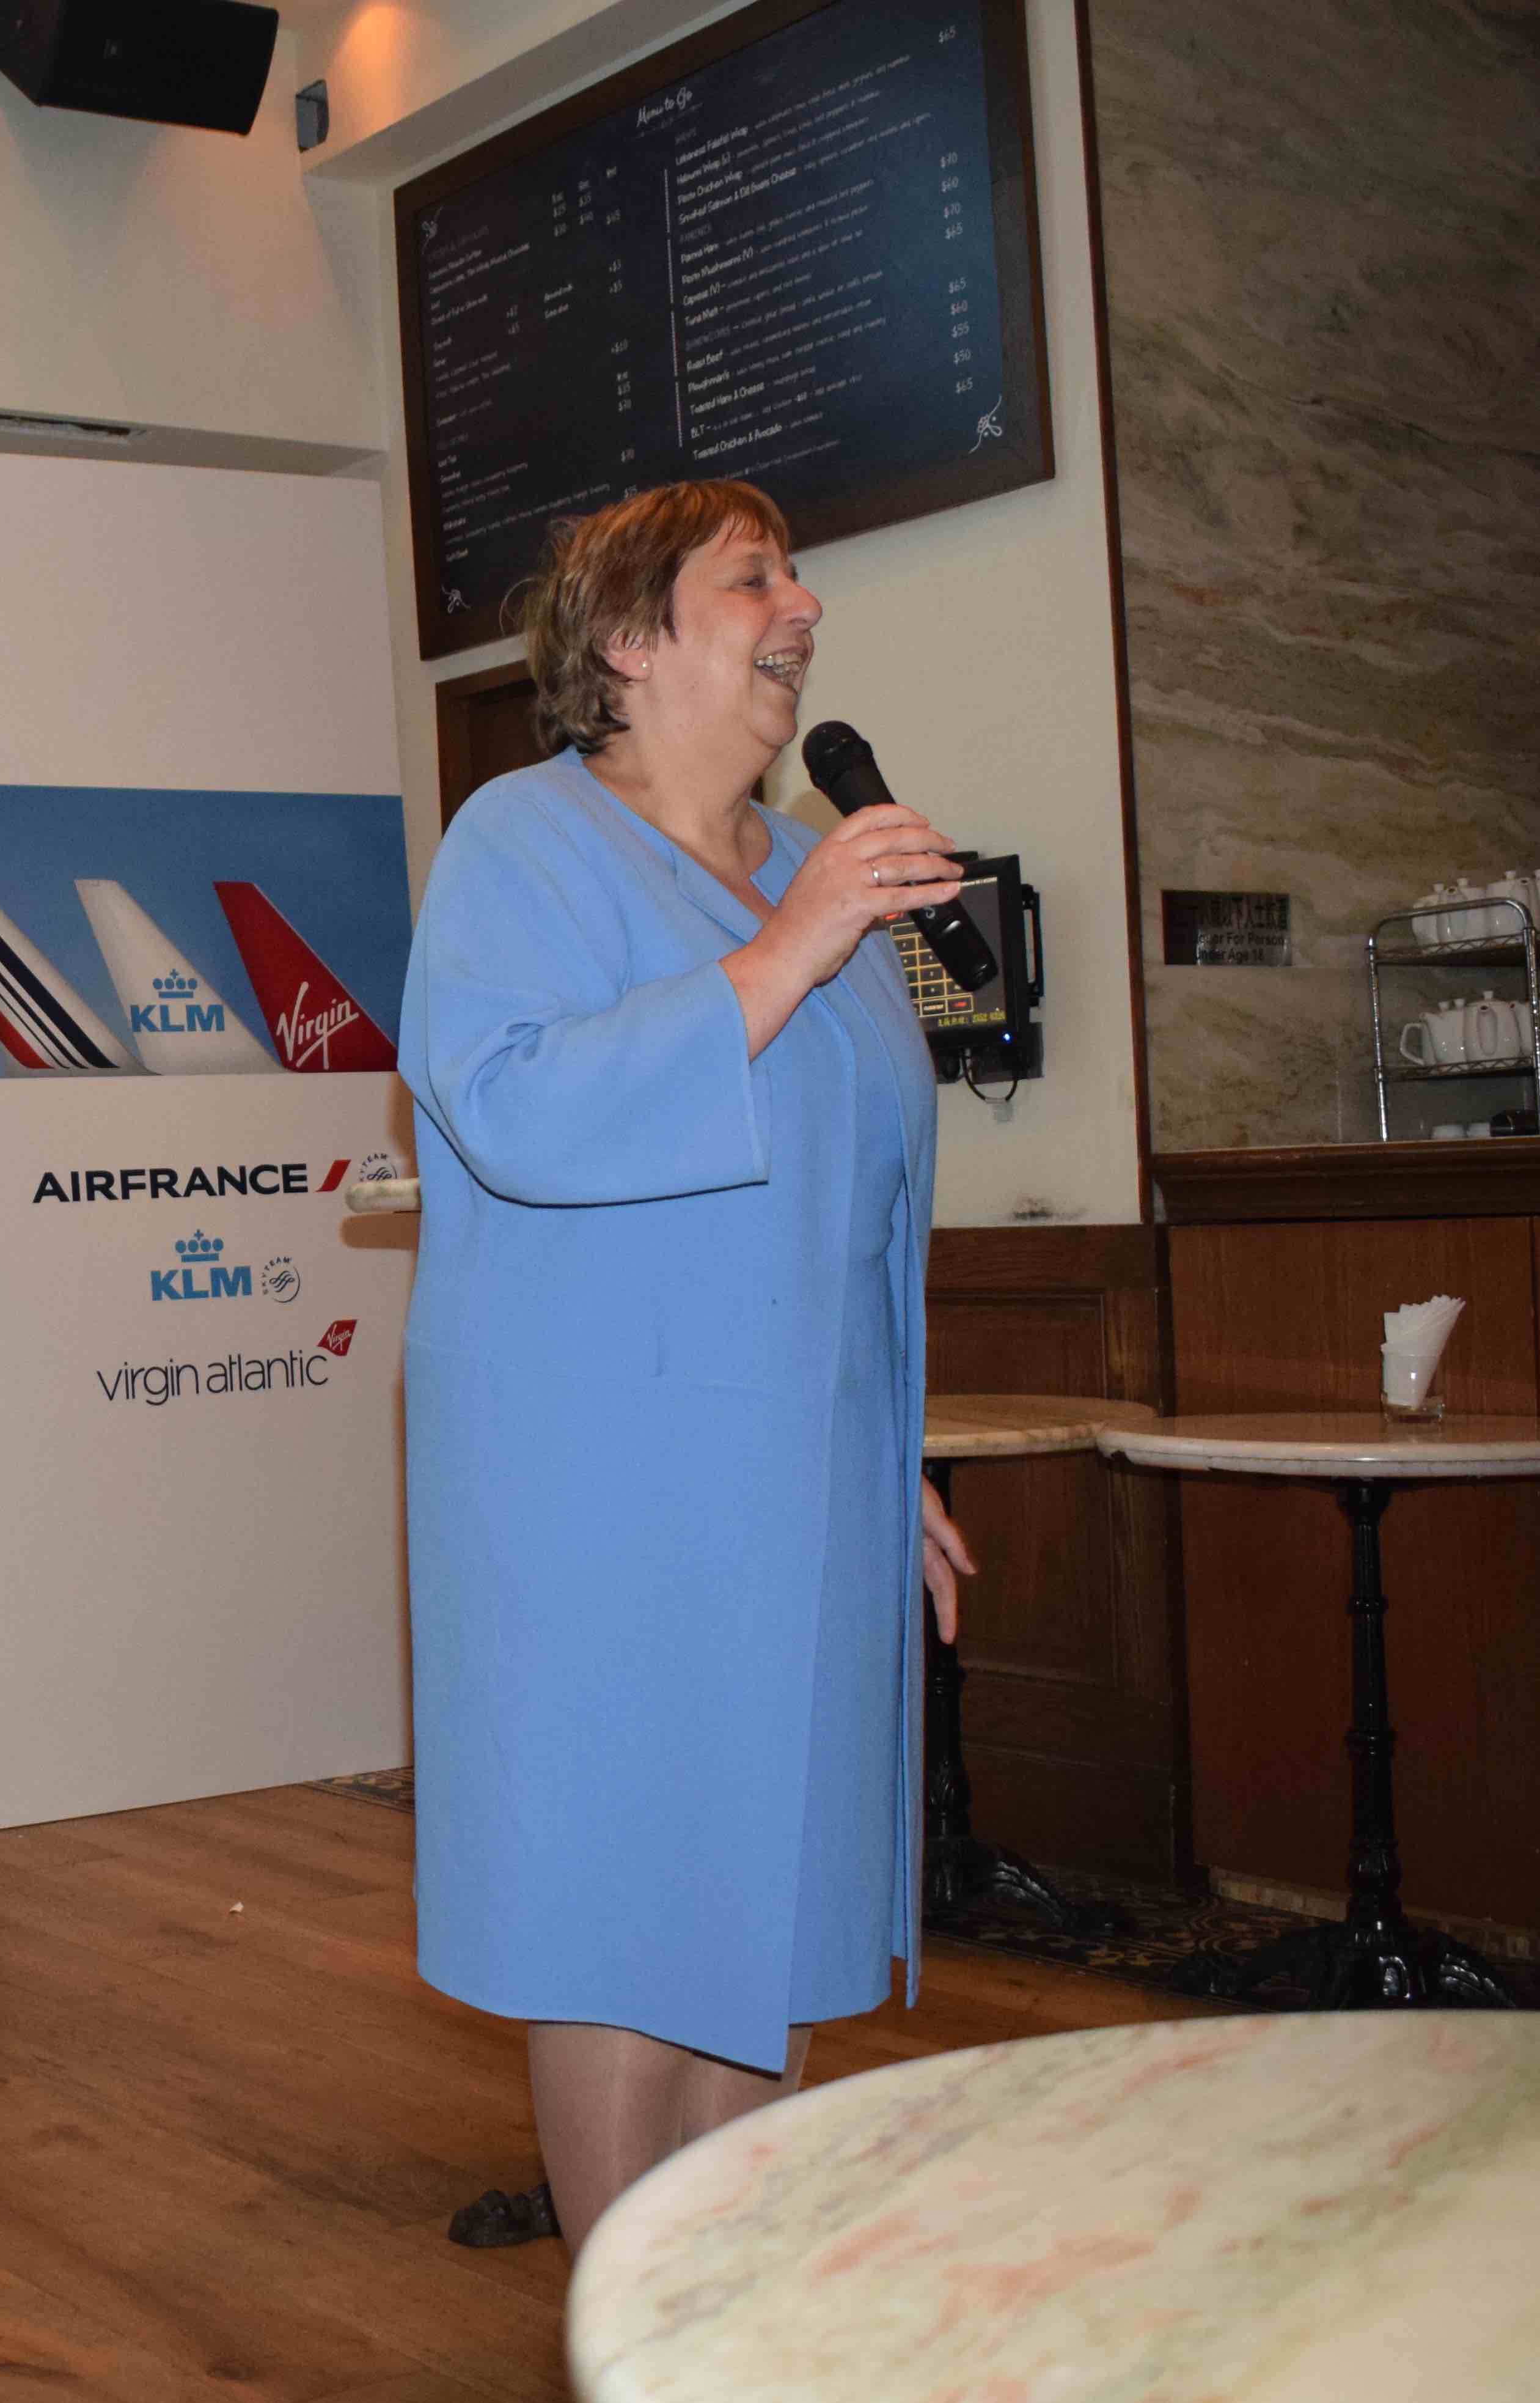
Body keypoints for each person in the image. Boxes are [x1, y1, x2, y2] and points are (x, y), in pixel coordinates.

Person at [398, 480, 978, 2290]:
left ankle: (727, 2316)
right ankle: (627, 2328)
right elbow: (512, 1106)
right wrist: (791, 950)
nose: (804, 606)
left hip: (804, 1480)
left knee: (770, 1903)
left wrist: (889, 1457)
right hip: (604, 1483)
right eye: (754, 580)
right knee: (628, 1908)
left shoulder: (808, 864)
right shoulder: (526, 840)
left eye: (798, 576)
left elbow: (855, 1200)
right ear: (633, 639)